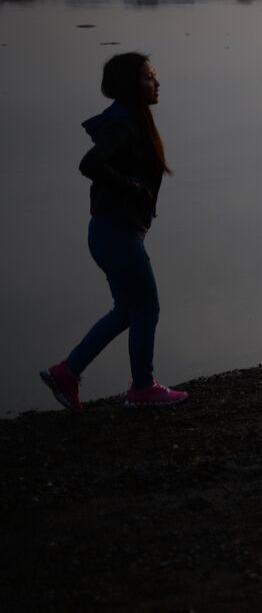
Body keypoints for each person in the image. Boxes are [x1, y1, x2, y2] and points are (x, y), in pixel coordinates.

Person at [40, 53, 188, 410]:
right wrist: (133, 188)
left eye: (154, 76)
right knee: (146, 310)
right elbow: (90, 163)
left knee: (126, 309)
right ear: (130, 86)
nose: (157, 83)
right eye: (149, 77)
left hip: (111, 232)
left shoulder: (132, 119)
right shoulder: (123, 124)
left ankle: (67, 372)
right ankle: (142, 389)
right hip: (115, 234)